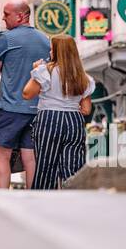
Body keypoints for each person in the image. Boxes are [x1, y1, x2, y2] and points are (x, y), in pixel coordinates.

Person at [0, 0, 51, 189]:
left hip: (10, 109)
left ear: (21, 16)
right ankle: (32, 199)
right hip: (37, 110)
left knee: (1, 155)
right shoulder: (45, 40)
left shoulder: (6, 38)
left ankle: (3, 198)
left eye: (6, 14)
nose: (3, 19)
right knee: (31, 158)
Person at [22, 35, 94, 190]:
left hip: (50, 119)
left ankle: (43, 202)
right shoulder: (83, 77)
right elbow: (86, 109)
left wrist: (34, 71)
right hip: (74, 121)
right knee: (73, 167)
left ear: (56, 51)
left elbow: (27, 94)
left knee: (46, 167)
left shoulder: (45, 71)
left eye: (52, 48)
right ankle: (75, 200)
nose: (50, 51)